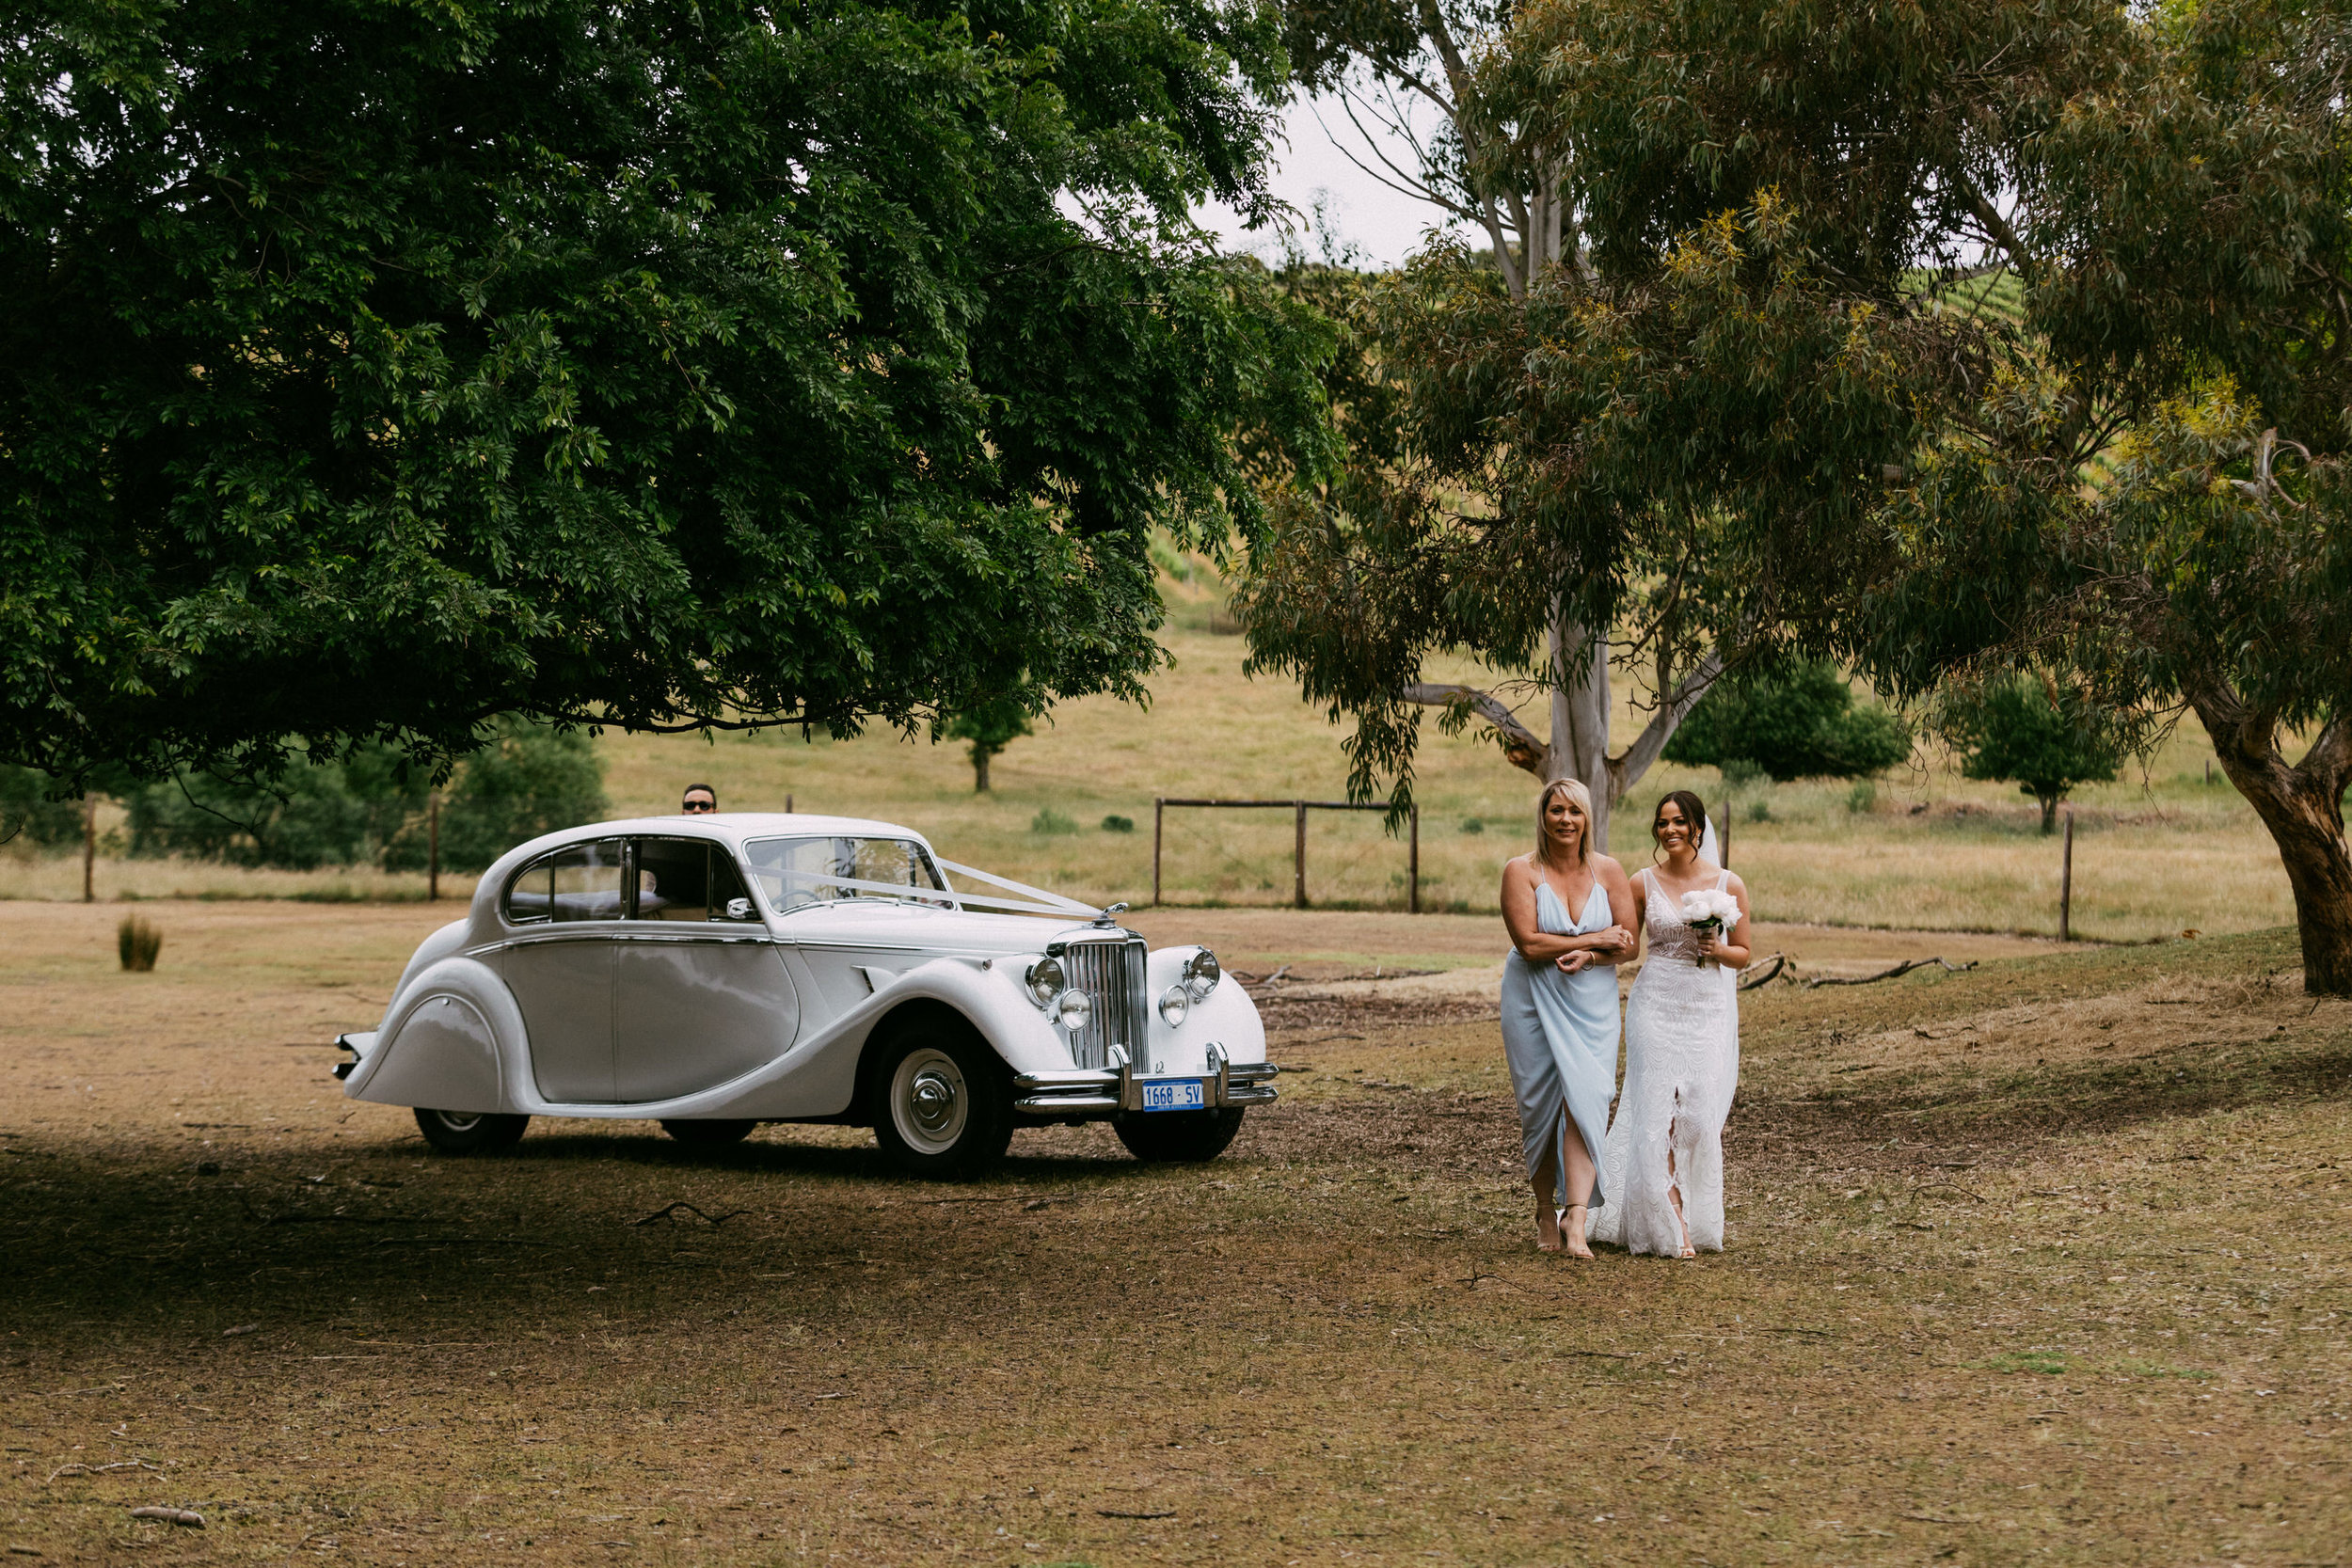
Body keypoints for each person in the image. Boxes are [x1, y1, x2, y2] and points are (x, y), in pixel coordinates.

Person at [1590, 790, 1751, 1259]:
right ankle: (1670, 1218)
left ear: (1698, 828)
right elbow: (1631, 947)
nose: (1670, 830)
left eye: (1679, 822)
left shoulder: (1729, 884)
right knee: (1655, 1113)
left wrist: (1716, 949)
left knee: (1699, 1118)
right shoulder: (1642, 882)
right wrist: (1590, 947)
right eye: (1662, 823)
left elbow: (1743, 954)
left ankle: (1687, 1207)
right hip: (1654, 1003)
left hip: (1705, 1009)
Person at [1499, 778, 1636, 1258]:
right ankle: (1543, 1210)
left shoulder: (1610, 870)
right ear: (1543, 817)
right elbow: (1530, 944)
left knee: (1588, 1100)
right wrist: (1596, 937)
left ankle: (1575, 1217)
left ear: (1587, 818)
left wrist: (1594, 955)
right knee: (1540, 1104)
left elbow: (1628, 943)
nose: (1565, 820)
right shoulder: (1522, 871)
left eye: (1574, 811)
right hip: (1532, 998)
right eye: (1556, 810)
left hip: (1592, 1000)